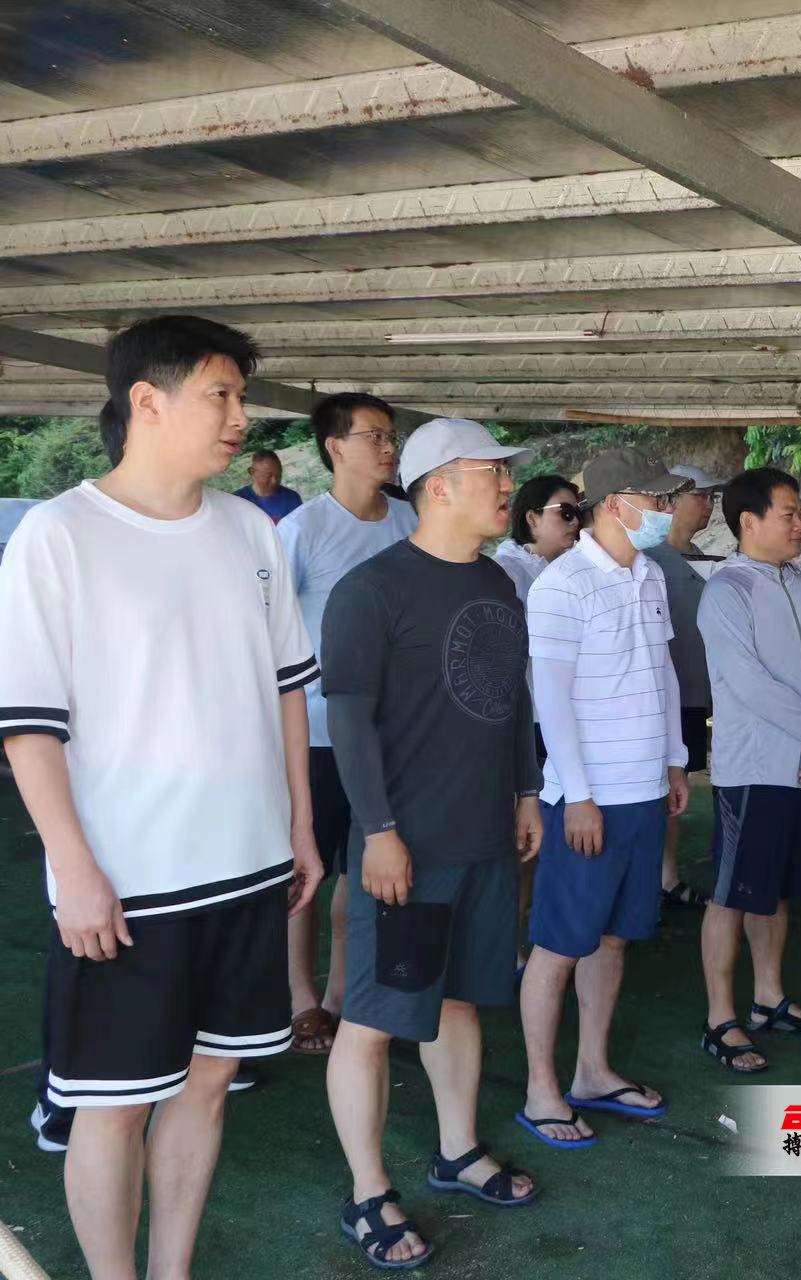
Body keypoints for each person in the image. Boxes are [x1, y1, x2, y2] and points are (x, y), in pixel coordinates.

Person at [0, 314, 324, 1280]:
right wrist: (74, 869)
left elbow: (287, 690)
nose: (241, 417)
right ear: (147, 401)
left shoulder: (249, 530)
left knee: (211, 1082)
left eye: (241, 396)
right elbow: (29, 726)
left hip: (249, 867)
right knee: (113, 1103)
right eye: (221, 394)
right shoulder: (59, 536)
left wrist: (302, 827)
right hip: (129, 885)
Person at [322, 418, 544, 1269]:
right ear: (440, 487)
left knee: (460, 1001)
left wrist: (526, 792)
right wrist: (378, 832)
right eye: (492, 472)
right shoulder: (371, 590)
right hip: (405, 846)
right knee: (373, 1021)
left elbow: (511, 702)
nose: (507, 486)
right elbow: (349, 723)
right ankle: (366, 1191)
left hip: (485, 833)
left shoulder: (498, 581)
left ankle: (457, 1151)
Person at [517, 451, 691, 1148]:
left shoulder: (650, 572)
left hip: (643, 788)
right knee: (559, 944)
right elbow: (550, 698)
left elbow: (663, 672)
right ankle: (541, 1091)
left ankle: (592, 1070)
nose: (667, 510)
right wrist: (580, 796)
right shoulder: (560, 584)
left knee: (613, 937)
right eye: (658, 498)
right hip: (589, 798)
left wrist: (675, 759)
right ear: (616, 504)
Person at [278, 392, 419, 1058]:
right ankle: (300, 1000)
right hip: (315, 733)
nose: (389, 448)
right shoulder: (302, 529)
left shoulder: (412, 521)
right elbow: (266, 632)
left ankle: (342, 997)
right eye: (374, 437)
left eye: (392, 437)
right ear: (335, 447)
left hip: (394, 735)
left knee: (367, 869)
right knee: (307, 870)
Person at [697, 468, 801, 1074]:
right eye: (789, 513)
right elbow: (747, 681)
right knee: (731, 894)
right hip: (754, 768)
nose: (800, 524)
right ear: (748, 522)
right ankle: (719, 1018)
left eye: (800, 512)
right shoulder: (726, 590)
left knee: (776, 889)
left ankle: (767, 998)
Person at [647, 463, 727, 909]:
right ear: (671, 501)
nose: (708, 506)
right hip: (656, 697)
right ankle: (645, 884)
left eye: (713, 498)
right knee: (652, 790)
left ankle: (666, 877)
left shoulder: (700, 557)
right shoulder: (646, 557)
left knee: (676, 790)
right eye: (701, 496)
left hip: (693, 694)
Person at [495, 474, 583, 603]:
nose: (575, 521)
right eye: (566, 512)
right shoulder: (504, 573)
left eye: (578, 513)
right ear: (532, 518)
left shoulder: (580, 558)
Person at [235, 448, 303, 523]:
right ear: (253, 472)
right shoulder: (237, 500)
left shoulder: (291, 498)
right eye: (268, 476)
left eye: (278, 475)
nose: (274, 481)